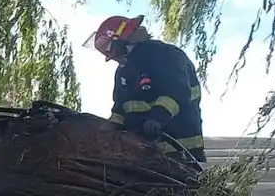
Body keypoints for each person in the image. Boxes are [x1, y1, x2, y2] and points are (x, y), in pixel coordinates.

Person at [86, 15, 206, 163]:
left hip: (180, 149)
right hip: (145, 152)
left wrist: (157, 117)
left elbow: (177, 94)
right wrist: (108, 130)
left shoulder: (166, 55)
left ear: (123, 41)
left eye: (113, 53)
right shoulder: (123, 71)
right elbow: (120, 108)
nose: (115, 59)